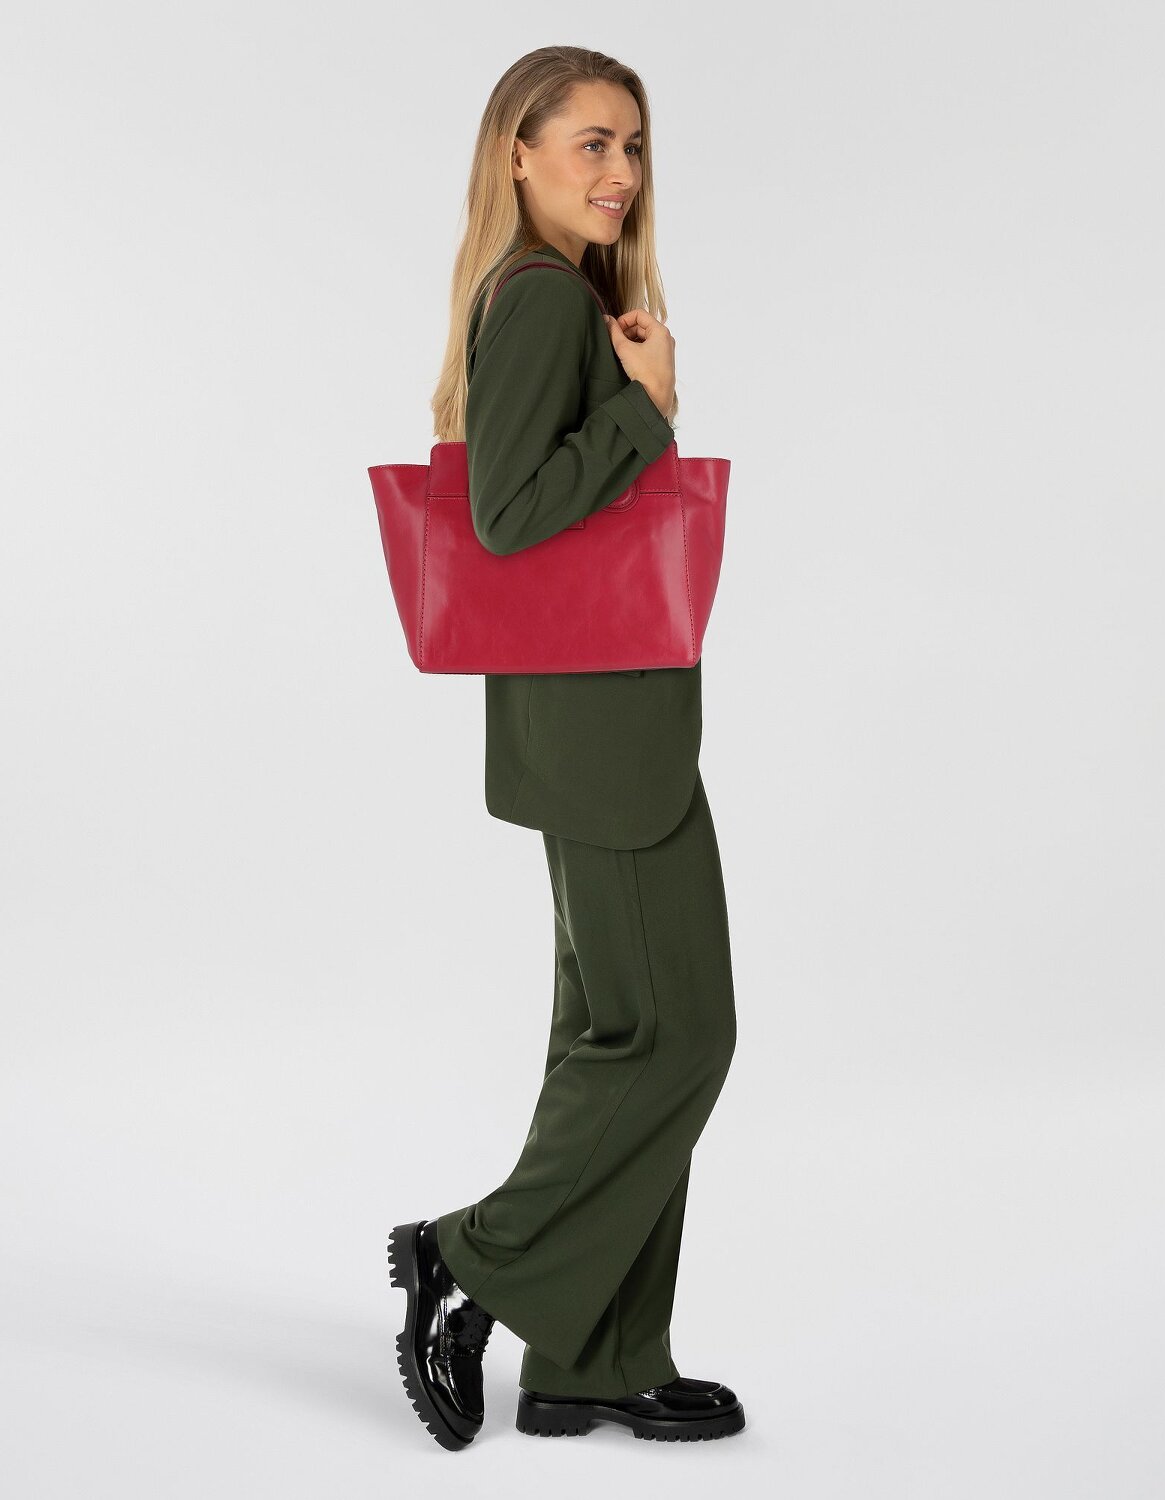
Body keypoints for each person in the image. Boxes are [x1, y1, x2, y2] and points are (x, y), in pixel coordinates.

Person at [387, 44, 743, 1448]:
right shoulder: (541, 297)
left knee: (614, 1039)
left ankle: (596, 1358)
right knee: (676, 1036)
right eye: (591, 143)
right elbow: (510, 514)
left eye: (633, 147)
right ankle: (469, 1257)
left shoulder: (559, 294)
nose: (620, 173)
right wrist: (646, 416)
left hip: (589, 723)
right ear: (517, 153)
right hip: (608, 739)